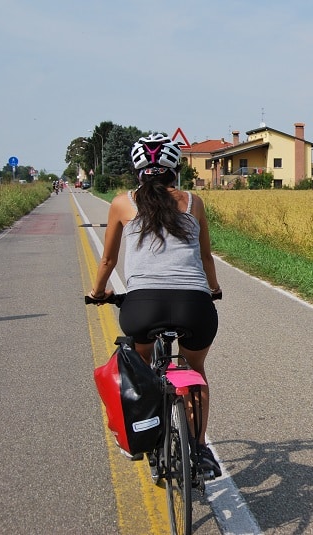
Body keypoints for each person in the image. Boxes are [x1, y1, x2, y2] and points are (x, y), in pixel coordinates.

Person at [88, 133, 222, 477]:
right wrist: (214, 288)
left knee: (140, 368)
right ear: (175, 169)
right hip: (195, 306)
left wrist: (98, 292)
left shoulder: (122, 203)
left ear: (137, 171)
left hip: (142, 306)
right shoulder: (193, 202)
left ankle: (143, 434)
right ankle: (200, 450)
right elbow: (206, 256)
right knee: (195, 371)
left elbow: (108, 260)